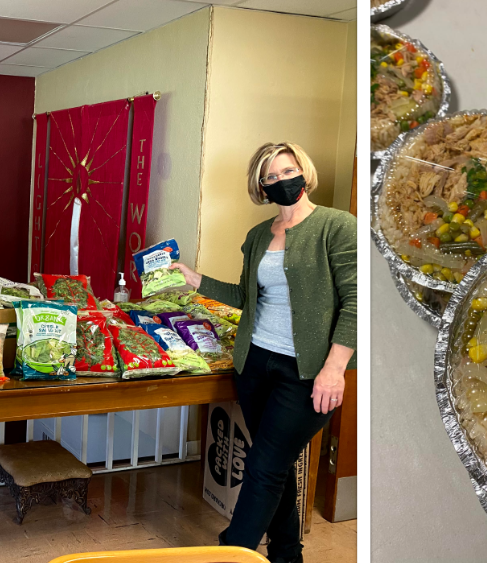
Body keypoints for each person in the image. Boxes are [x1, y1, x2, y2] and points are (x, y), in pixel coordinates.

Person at [171, 142, 356, 563]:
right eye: (270, 177)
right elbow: (245, 296)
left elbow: (356, 301)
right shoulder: (258, 235)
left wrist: (335, 368)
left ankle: (230, 556)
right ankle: (287, 555)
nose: (280, 181)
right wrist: (195, 279)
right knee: (275, 465)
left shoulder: (336, 226)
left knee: (263, 466)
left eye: (287, 171)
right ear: (261, 186)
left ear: (303, 172)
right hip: (255, 364)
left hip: (307, 372)